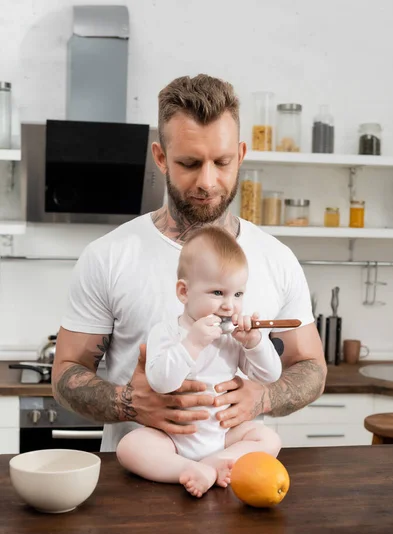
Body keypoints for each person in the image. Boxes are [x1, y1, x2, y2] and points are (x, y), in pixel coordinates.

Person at [52, 74, 327, 454]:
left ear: (242, 155)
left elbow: (311, 366)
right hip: (136, 484)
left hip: (237, 482)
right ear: (161, 157)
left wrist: (263, 398)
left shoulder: (276, 258)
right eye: (190, 163)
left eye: (223, 161)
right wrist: (130, 403)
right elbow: (65, 371)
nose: (208, 181)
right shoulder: (109, 255)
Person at [116, 226, 282, 497]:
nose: (230, 306)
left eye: (237, 294)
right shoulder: (166, 332)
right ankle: (186, 469)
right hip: (172, 438)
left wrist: (255, 342)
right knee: (130, 447)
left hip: (223, 435)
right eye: (218, 293)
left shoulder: (233, 338)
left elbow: (270, 376)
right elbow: (160, 381)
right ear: (184, 292)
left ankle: (215, 462)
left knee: (269, 439)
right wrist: (192, 343)